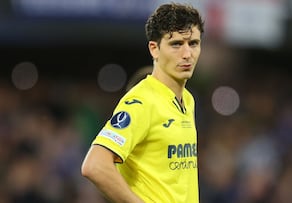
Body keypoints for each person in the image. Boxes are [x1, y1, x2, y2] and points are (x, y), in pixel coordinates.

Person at [81, 3, 204, 203]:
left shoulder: (187, 100)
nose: (187, 54)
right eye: (176, 44)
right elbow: (94, 165)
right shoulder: (141, 101)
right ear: (154, 49)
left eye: (193, 43)